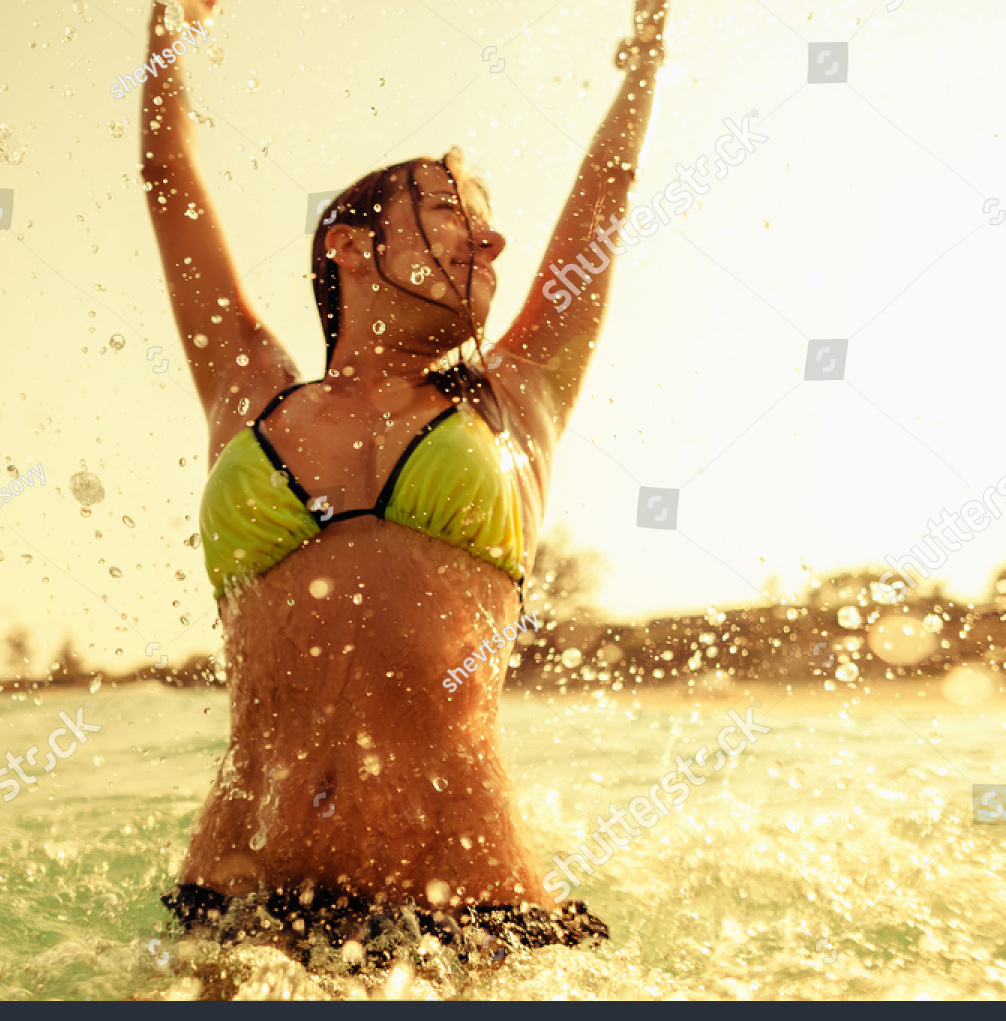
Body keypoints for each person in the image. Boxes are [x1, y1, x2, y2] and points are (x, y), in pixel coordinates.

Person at [140, 0, 670, 961]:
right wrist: (168, 33)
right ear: (347, 242)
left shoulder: (515, 399)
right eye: (451, 212)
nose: (491, 243)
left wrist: (644, 62)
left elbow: (609, 196)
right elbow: (166, 179)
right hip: (238, 911)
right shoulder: (247, 392)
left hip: (470, 917)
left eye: (490, 226)